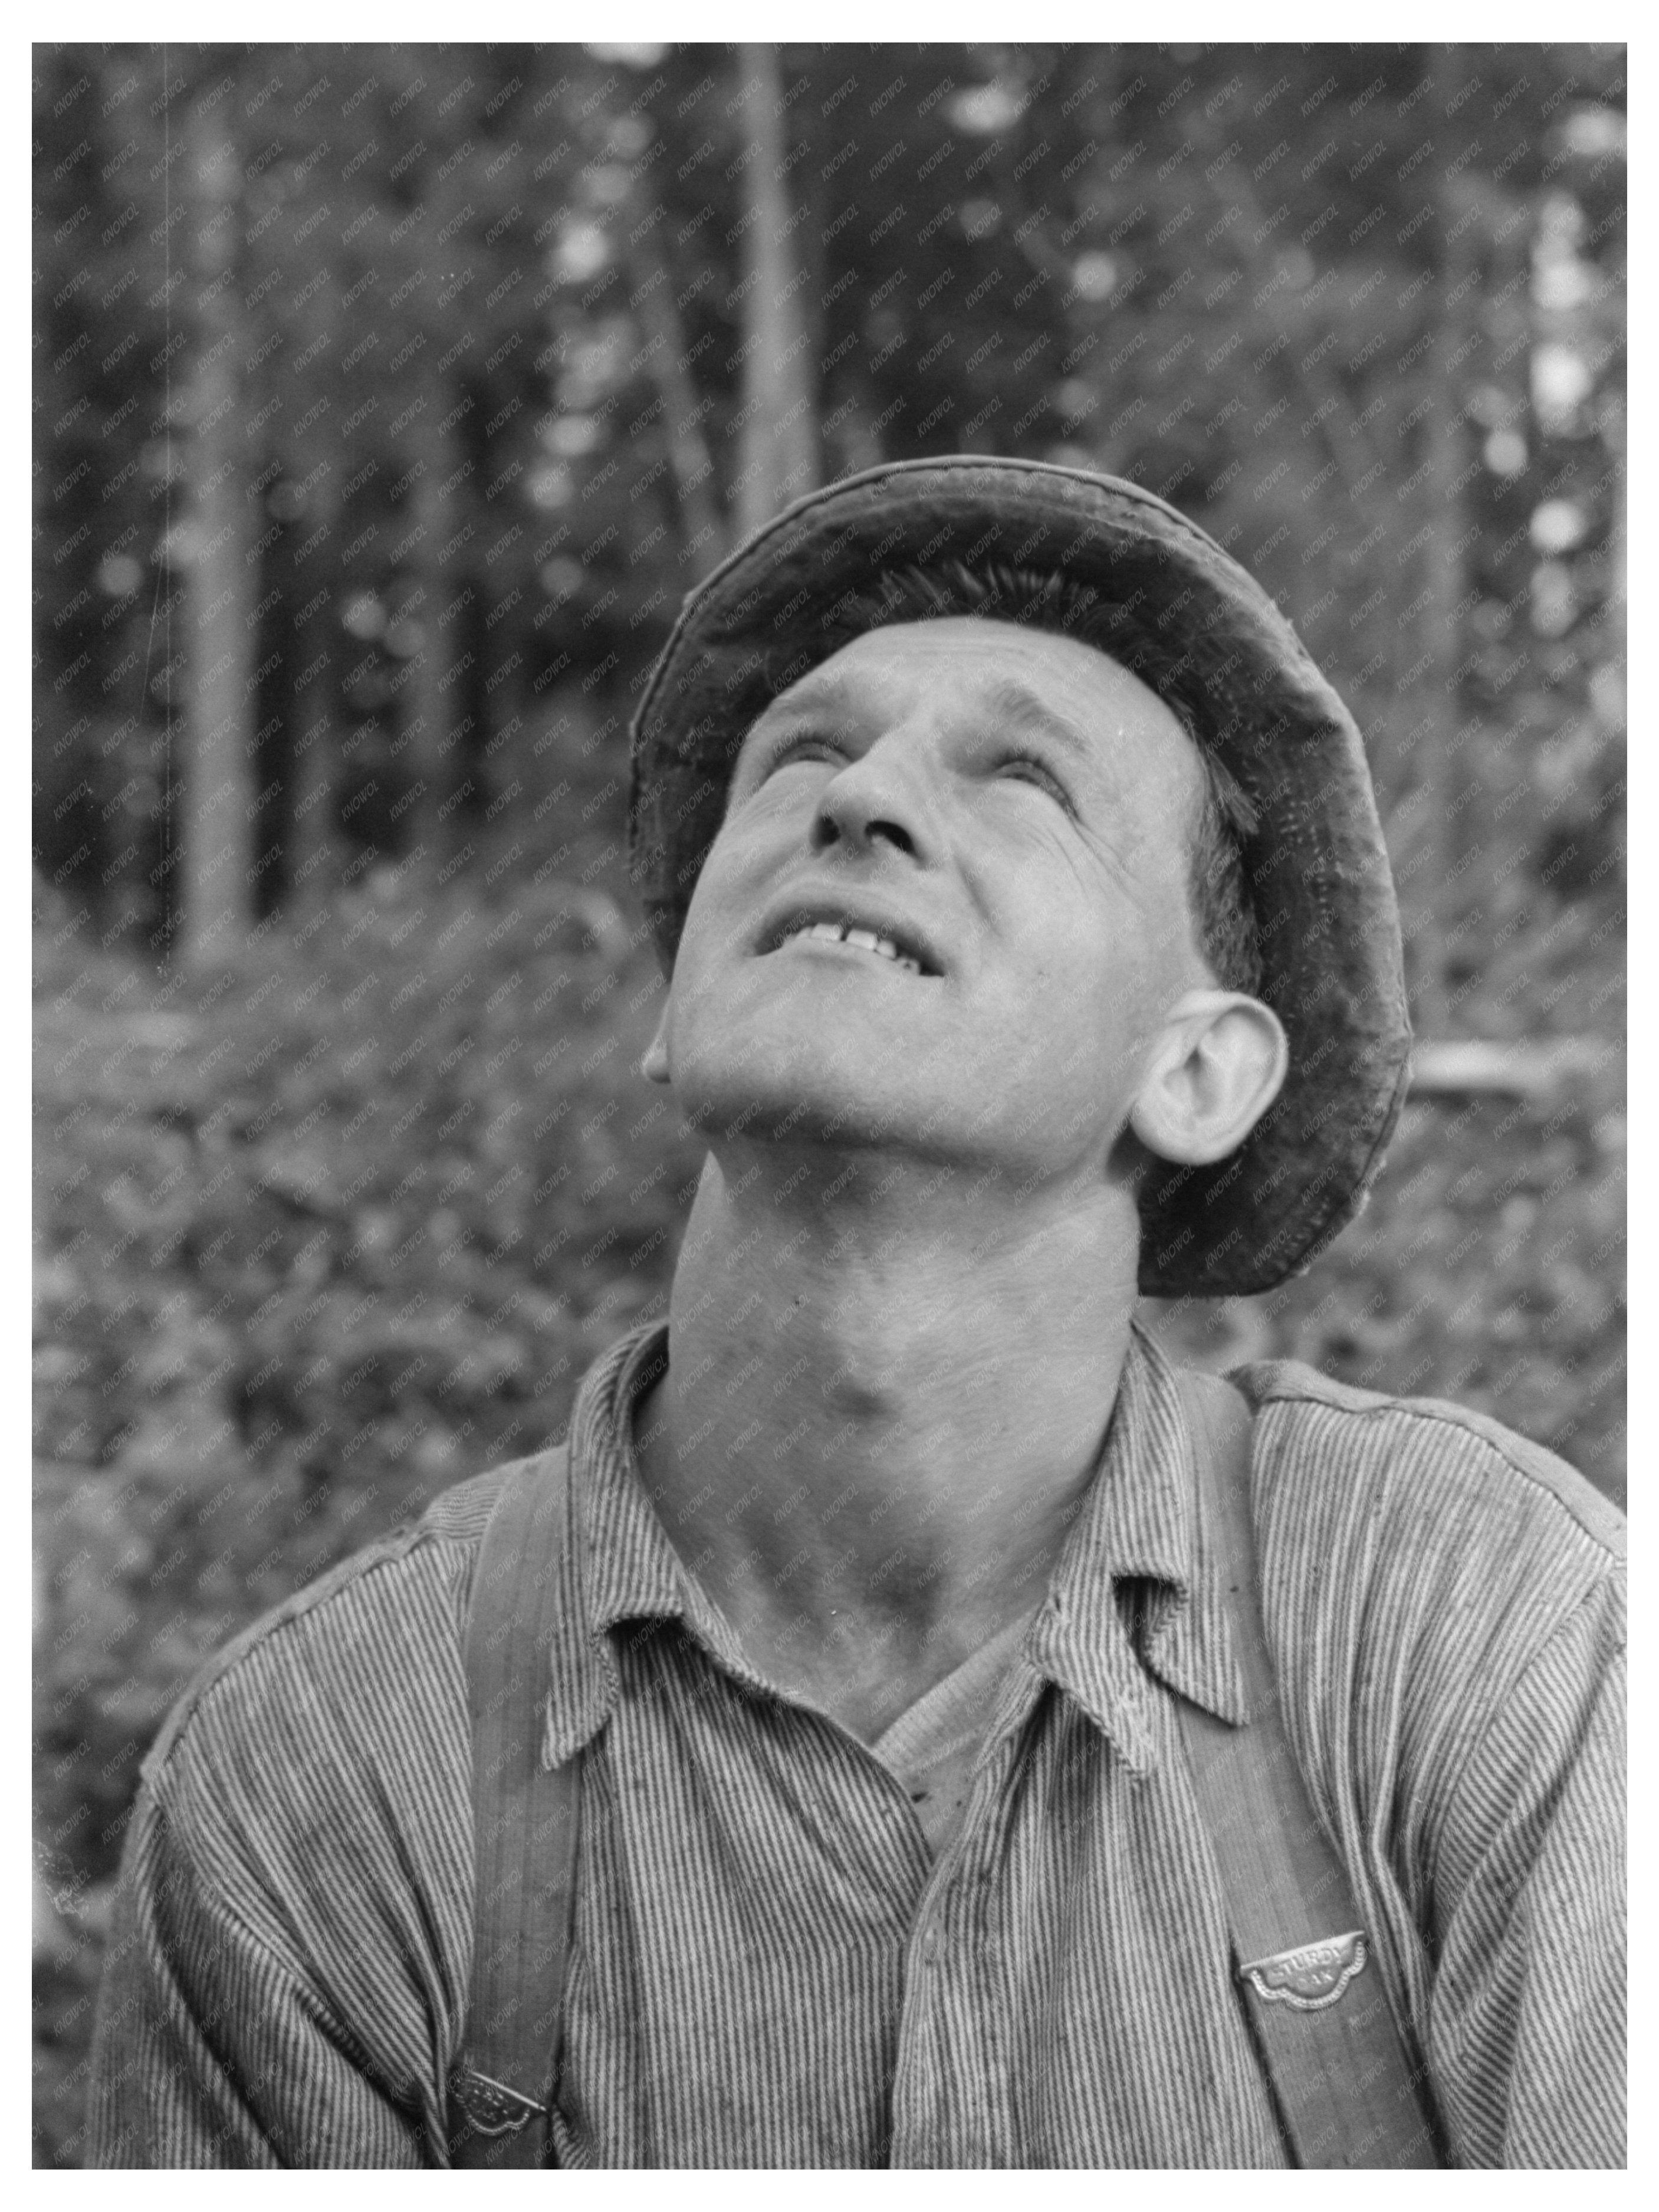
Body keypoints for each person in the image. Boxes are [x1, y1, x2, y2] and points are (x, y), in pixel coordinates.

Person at [88, 458, 1624, 2168]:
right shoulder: (322, 1784)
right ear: (678, 1005)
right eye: (804, 754)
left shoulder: (1481, 1637)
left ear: (1196, 1070)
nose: (865, 798)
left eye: (1022, 779)